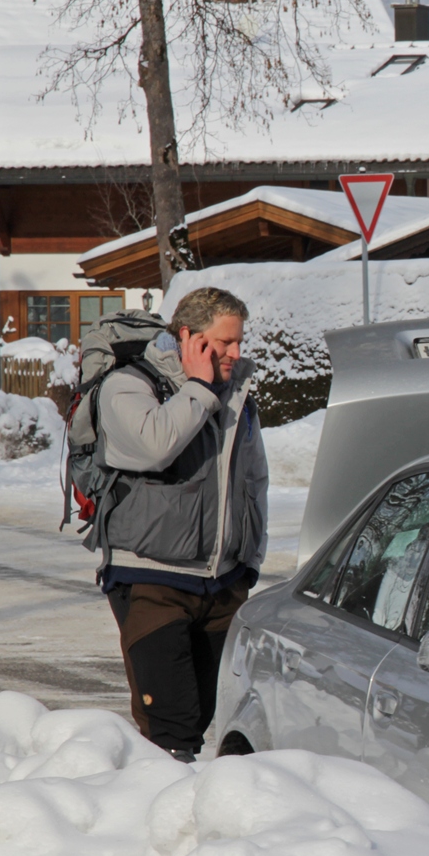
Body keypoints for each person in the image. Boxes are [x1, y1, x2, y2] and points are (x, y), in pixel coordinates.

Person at [95, 287, 268, 762]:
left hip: (222, 583)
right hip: (151, 577)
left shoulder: (237, 392)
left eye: (238, 342)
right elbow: (154, 445)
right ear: (189, 337)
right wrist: (199, 387)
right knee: (171, 726)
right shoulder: (128, 385)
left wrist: (249, 562)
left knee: (202, 715)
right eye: (225, 342)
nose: (236, 353)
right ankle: (160, 820)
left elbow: (253, 477)